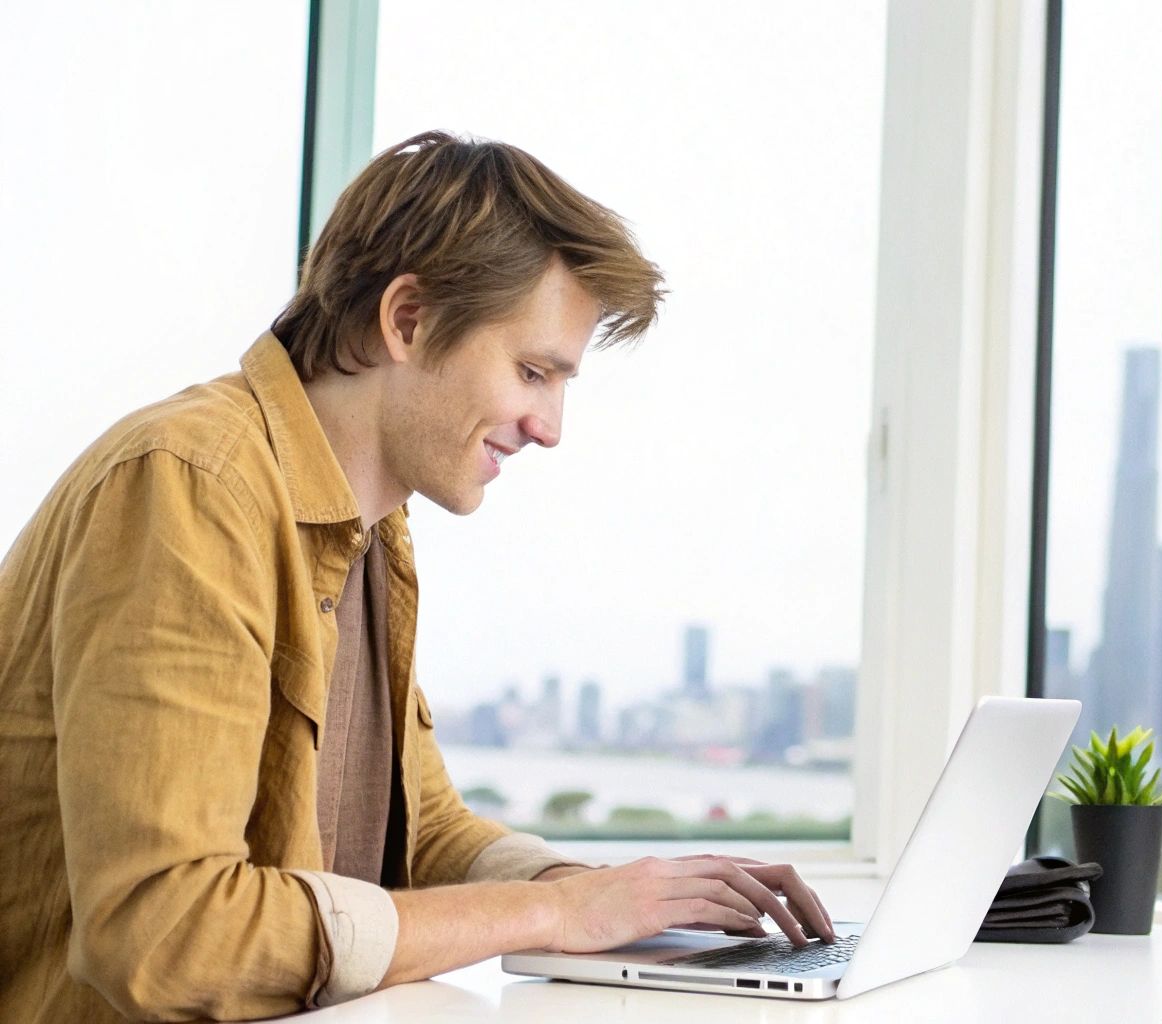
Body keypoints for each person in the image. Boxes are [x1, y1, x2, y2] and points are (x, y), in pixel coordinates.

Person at [0, 129, 835, 1023]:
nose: (549, 426)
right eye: (531, 371)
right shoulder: (192, 488)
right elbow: (164, 934)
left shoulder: (371, 531)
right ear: (408, 320)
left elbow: (425, 828)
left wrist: (627, 898)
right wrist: (553, 911)